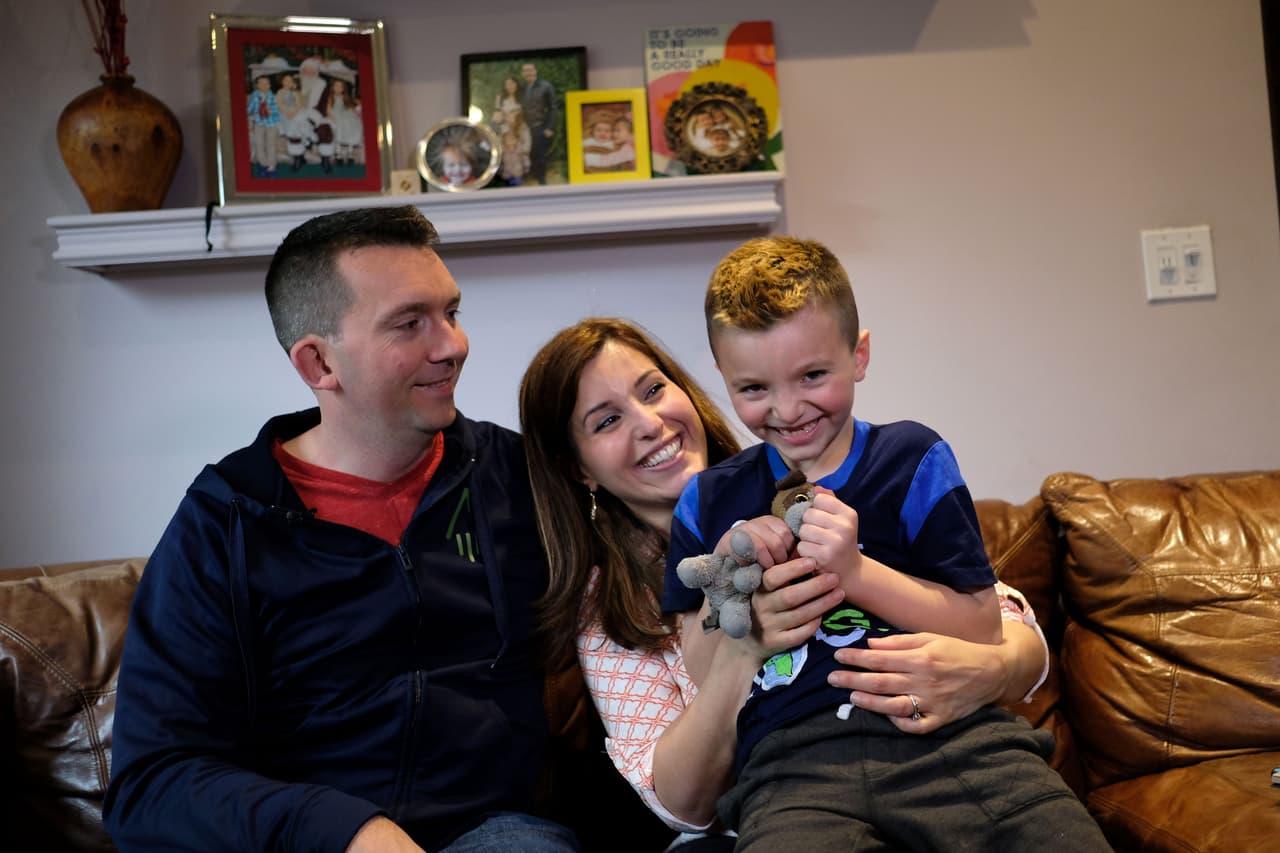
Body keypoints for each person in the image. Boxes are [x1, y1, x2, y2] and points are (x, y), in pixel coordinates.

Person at [102, 206, 580, 853]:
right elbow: (151, 782)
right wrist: (344, 828)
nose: (452, 345)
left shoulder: (517, 479)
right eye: (410, 323)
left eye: (452, 312)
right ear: (318, 363)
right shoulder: (226, 522)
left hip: (494, 833)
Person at [518, 317, 1059, 848]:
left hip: (933, 752)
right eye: (606, 421)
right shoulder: (606, 605)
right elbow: (683, 805)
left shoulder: (801, 479)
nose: (649, 423)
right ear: (578, 468)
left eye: (654, 390)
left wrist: (995, 668)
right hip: (772, 805)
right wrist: (743, 646)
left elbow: (1002, 618)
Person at [663, 237, 1112, 850]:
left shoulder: (912, 457)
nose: (788, 409)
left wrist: (855, 570)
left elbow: (982, 624)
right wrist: (735, 584)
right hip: (794, 768)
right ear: (721, 377)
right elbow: (697, 663)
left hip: (954, 742)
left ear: (860, 355)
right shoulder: (708, 500)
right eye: (754, 389)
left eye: (813, 375)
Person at [519, 62, 558, 185]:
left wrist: (550, 127)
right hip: (525, 128)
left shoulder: (546, 86)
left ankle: (542, 181)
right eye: (525, 70)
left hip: (540, 126)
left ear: (535, 71)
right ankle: (531, 177)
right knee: (528, 153)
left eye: (530, 70)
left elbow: (553, 107)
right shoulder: (521, 88)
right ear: (522, 73)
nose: (528, 72)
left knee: (540, 155)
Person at [246, 74, 281, 177]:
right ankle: (263, 164)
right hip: (259, 122)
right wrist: (248, 114)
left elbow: (278, 111)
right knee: (259, 143)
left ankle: (272, 166)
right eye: (261, 83)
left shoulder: (273, 96)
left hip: (271, 122)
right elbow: (249, 108)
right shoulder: (254, 95)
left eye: (266, 83)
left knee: (271, 144)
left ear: (269, 85)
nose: (264, 85)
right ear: (257, 85)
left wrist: (272, 111)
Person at [498, 108, 532, 186]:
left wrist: (521, 151)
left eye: (513, 116)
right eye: (509, 115)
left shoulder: (523, 127)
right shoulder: (504, 127)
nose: (510, 118)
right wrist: (503, 149)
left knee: (517, 179)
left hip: (518, 156)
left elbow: (527, 142)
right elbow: (500, 140)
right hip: (506, 157)